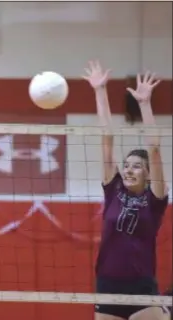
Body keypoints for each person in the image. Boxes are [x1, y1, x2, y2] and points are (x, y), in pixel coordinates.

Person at [83, 61, 169, 320]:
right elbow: (106, 139)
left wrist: (144, 104)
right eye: (127, 165)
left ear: (148, 173)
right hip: (107, 285)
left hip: (141, 287)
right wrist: (100, 91)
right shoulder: (114, 190)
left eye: (137, 167)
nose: (129, 170)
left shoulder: (154, 199)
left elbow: (154, 150)